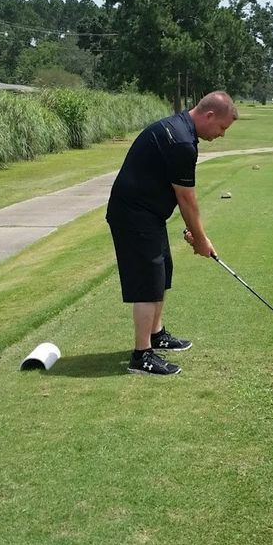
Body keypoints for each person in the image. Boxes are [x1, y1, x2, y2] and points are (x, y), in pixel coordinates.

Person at [105, 91, 238, 375]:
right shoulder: (181, 142)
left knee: (162, 270)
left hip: (148, 214)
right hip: (133, 215)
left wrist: (196, 234)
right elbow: (187, 199)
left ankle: (156, 334)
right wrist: (201, 240)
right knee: (148, 281)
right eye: (222, 128)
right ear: (209, 116)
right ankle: (142, 356)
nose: (222, 135)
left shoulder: (180, 128)